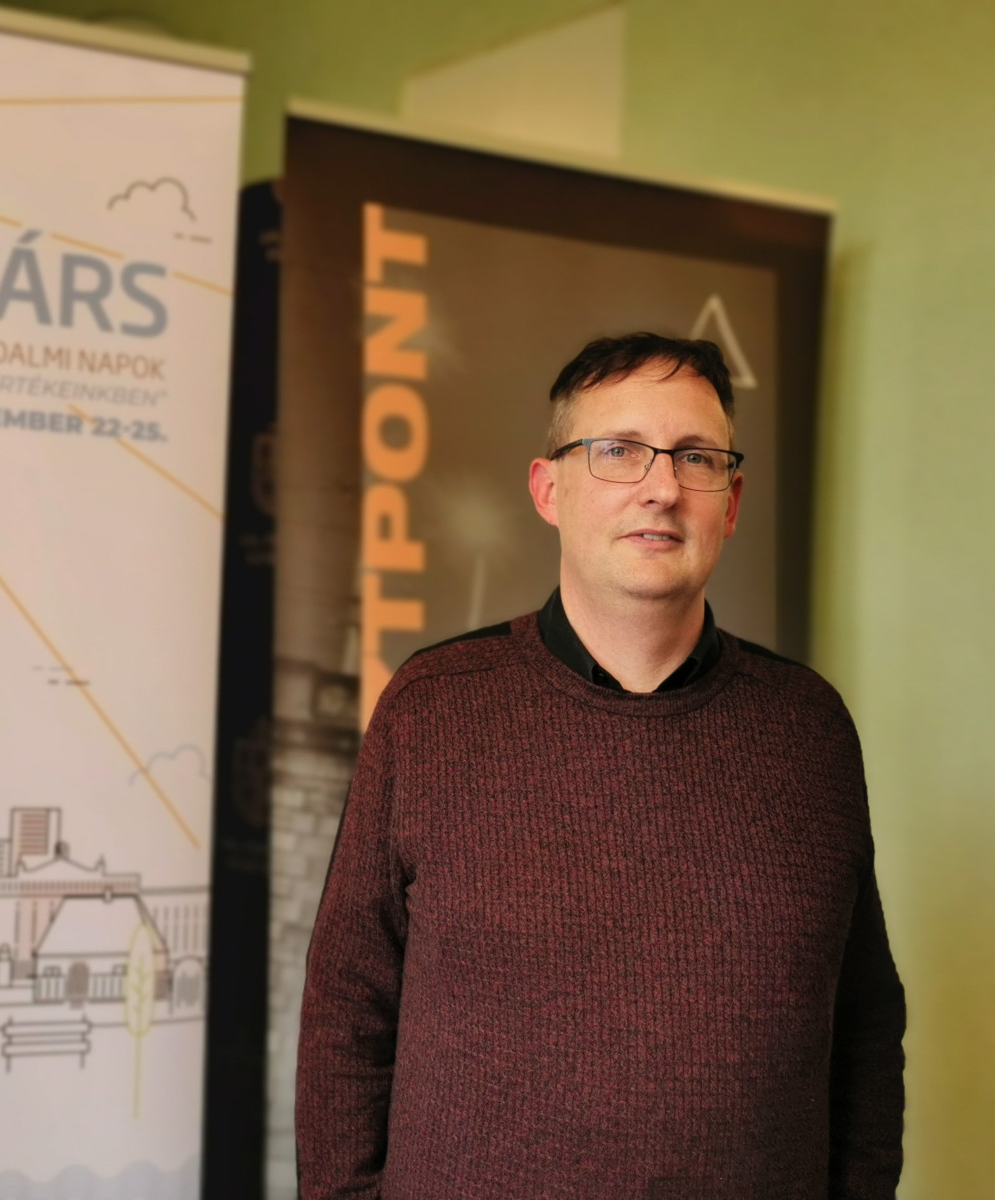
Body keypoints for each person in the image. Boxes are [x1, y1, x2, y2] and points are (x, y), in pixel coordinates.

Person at [296, 334, 906, 1197]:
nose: (662, 487)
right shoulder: (433, 708)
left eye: (696, 457)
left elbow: (866, 1026)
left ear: (731, 503)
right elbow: (345, 1011)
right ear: (549, 489)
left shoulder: (810, 731)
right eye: (620, 451)